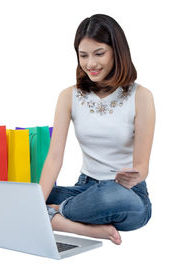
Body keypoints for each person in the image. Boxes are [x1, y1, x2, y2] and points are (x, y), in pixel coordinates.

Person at [39, 14, 155, 245]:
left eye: (99, 53)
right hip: (85, 190)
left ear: (116, 51)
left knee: (112, 195)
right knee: (30, 190)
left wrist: (131, 178)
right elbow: (54, 158)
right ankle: (83, 226)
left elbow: (142, 167)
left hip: (126, 194)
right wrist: (35, 200)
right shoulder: (68, 96)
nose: (90, 63)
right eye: (83, 55)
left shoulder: (141, 97)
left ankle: (56, 214)